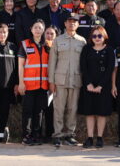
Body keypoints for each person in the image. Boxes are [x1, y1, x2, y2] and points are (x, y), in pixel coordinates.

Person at [48, 14, 86, 146]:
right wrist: (51, 81)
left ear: (78, 24)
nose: (72, 24)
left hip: (76, 79)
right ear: (65, 24)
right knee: (58, 108)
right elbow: (52, 62)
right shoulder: (57, 40)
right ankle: (57, 135)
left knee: (72, 109)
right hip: (60, 80)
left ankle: (70, 134)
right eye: (69, 21)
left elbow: (84, 63)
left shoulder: (82, 41)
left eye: (74, 22)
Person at [79, 25, 115, 148]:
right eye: (94, 36)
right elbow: (83, 67)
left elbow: (110, 69)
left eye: (99, 35)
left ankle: (99, 138)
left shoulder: (109, 50)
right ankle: (89, 138)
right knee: (89, 112)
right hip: (88, 85)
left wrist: (100, 85)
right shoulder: (86, 49)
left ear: (104, 36)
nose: (97, 38)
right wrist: (88, 83)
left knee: (101, 112)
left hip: (103, 86)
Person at [17, 19, 50, 145]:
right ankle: (26, 136)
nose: (37, 30)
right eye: (35, 27)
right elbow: (20, 66)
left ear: (43, 30)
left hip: (43, 85)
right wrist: (21, 83)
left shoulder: (48, 45)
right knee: (28, 111)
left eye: (40, 28)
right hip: (28, 85)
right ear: (31, 29)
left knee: (39, 112)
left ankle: (37, 135)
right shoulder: (25, 44)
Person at [43, 25, 59, 141]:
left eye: (52, 34)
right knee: (43, 109)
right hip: (42, 81)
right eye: (47, 33)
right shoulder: (40, 47)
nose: (49, 36)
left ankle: (51, 134)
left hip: (55, 82)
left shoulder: (59, 48)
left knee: (52, 110)